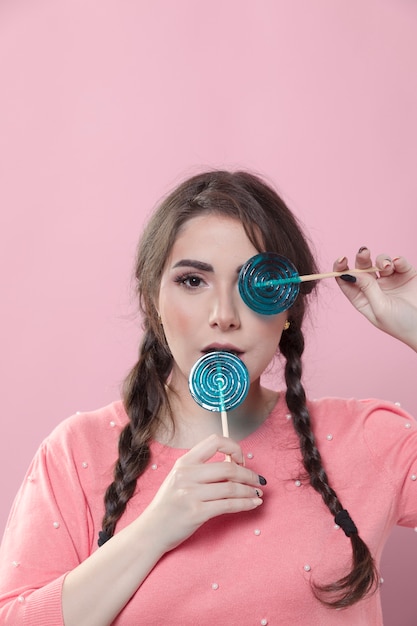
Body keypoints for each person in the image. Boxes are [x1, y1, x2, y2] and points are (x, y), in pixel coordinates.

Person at [0, 170, 416, 626]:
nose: (223, 316)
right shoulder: (75, 453)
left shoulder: (369, 438)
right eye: (193, 281)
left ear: (288, 306)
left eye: (253, 284)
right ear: (153, 299)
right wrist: (156, 528)